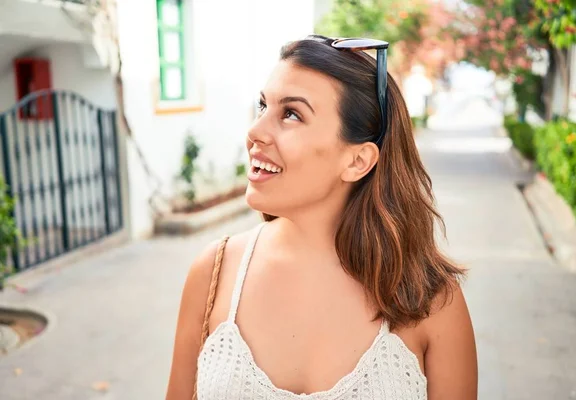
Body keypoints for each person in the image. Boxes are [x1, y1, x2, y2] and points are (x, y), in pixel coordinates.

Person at [165, 35, 477, 400]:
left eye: (291, 114)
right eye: (263, 106)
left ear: (357, 161)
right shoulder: (214, 274)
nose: (255, 132)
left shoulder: (431, 299)